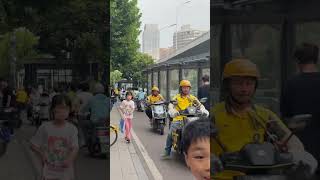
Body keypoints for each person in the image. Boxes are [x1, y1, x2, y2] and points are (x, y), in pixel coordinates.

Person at [212, 59, 317, 179]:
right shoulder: (214, 115)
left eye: (249, 83)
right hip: (223, 176)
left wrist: (288, 152)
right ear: (227, 86)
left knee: (308, 160)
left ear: (255, 86)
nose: (244, 89)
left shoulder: (264, 115)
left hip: (259, 176)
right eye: (238, 83)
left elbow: (294, 143)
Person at [280, 43, 320, 176]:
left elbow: (285, 119)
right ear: (316, 59)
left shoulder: (290, 84)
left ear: (297, 60)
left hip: (300, 152)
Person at [30, 94, 78, 180]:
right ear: (52, 109)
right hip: (47, 173)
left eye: (66, 108)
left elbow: (75, 148)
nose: (62, 111)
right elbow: (33, 145)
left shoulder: (72, 129)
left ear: (69, 110)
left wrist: (69, 160)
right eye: (59, 108)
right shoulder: (45, 127)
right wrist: (42, 155)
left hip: (65, 173)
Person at [161, 80, 209, 159]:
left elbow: (200, 105)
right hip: (178, 119)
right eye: (184, 87)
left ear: (189, 89)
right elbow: (171, 105)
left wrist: (203, 110)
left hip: (192, 119)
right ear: (181, 88)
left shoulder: (193, 98)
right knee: (170, 133)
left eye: (187, 87)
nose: (186, 89)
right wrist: (173, 111)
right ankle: (167, 151)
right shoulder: (176, 97)